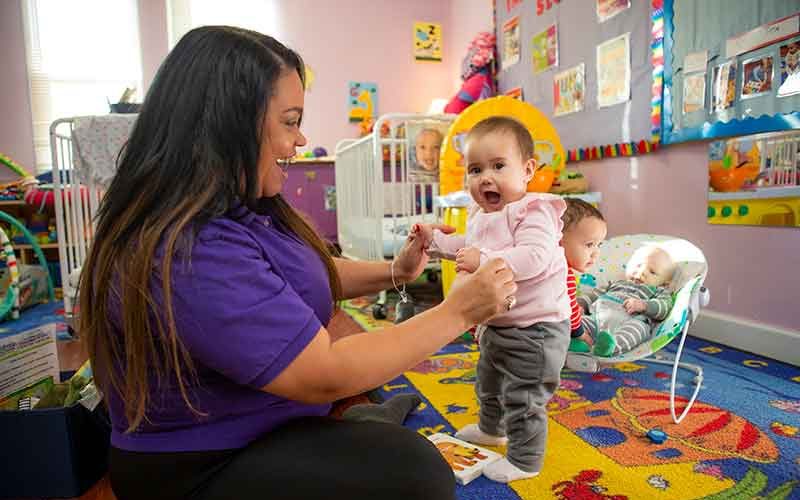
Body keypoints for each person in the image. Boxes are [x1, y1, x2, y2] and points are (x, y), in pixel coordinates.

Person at [79, 26, 517, 500]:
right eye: (290, 121)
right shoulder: (187, 247)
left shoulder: (244, 206)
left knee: (383, 439)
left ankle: (348, 427)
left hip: (264, 421)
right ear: (230, 123)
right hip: (199, 461)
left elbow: (302, 273)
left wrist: (397, 271)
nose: (301, 139)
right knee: (417, 472)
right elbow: (322, 371)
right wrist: (458, 311)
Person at [414, 116, 570, 483]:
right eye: (475, 169)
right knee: (489, 382)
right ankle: (491, 429)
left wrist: (483, 262)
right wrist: (433, 243)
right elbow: (469, 248)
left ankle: (525, 460)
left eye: (498, 166)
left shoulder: (534, 211)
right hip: (497, 323)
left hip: (536, 329)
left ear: (528, 169)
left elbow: (535, 257)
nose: (485, 177)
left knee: (524, 397)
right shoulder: (483, 214)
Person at [579, 246, 676, 357]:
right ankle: (576, 342)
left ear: (664, 283)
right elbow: (593, 295)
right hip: (596, 319)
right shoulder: (616, 283)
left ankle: (610, 348)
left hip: (631, 322)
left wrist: (644, 305)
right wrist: (579, 304)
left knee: (636, 331)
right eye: (638, 266)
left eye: (652, 272)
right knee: (575, 323)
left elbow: (664, 308)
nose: (641, 272)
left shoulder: (659, 291)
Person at [559, 198, 607, 353]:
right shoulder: (561, 274)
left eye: (599, 245)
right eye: (589, 245)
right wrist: (580, 333)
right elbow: (569, 309)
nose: (596, 253)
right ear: (559, 240)